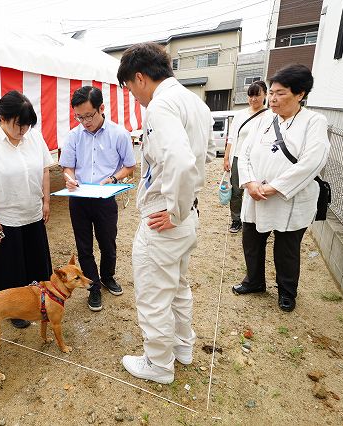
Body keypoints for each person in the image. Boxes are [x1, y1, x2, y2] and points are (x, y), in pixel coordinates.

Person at [116, 42, 213, 384]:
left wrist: (175, 211)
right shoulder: (194, 103)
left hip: (167, 215)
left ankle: (158, 363)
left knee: (154, 292)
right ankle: (182, 347)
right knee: (178, 285)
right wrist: (183, 210)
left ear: (139, 78)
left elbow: (183, 163)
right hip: (187, 215)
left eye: (130, 89)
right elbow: (205, 156)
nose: (133, 97)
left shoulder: (160, 106)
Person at [232, 64, 330, 312]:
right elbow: (244, 153)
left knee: (286, 247)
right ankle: (254, 281)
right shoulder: (264, 120)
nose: (273, 99)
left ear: (300, 94)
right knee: (252, 241)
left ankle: (287, 291)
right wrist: (250, 182)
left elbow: (313, 162)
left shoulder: (314, 121)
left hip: (289, 198)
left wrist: (274, 187)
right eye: (272, 92)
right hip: (256, 194)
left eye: (281, 93)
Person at [0, 90, 53, 329]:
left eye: (27, 125)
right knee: (11, 266)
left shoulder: (34, 137)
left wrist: (46, 201)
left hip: (33, 212)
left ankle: (39, 303)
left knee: (37, 263)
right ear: (3, 117)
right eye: (19, 125)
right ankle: (14, 310)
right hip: (5, 218)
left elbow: (45, 170)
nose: (23, 130)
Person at [59, 86, 136, 311]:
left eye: (89, 116)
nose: (85, 121)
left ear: (101, 108)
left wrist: (113, 178)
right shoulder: (74, 136)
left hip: (105, 197)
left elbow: (129, 166)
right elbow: (68, 167)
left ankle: (108, 277)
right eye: (79, 117)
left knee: (107, 242)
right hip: (79, 199)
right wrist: (69, 179)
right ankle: (92, 286)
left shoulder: (119, 134)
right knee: (84, 246)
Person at [223, 81, 269, 233]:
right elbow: (231, 137)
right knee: (236, 192)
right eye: (251, 95)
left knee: (255, 191)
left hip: (258, 161)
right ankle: (236, 220)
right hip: (237, 157)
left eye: (257, 95)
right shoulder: (240, 115)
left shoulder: (270, 116)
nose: (253, 99)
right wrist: (226, 158)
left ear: (265, 95)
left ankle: (254, 221)